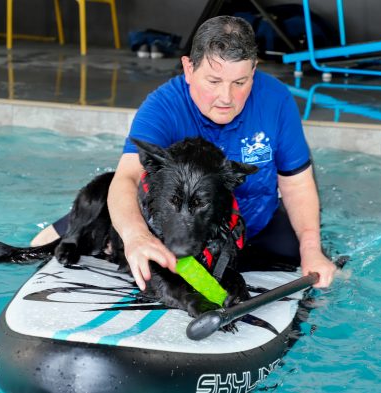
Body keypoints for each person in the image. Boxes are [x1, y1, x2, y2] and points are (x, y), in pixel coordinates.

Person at [32, 15, 337, 291]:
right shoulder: (163, 106)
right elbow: (126, 179)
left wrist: (311, 248)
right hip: (176, 223)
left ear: (254, 71)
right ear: (189, 68)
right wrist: (136, 236)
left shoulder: (276, 100)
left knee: (329, 273)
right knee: (40, 245)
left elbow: (296, 183)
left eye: (240, 82)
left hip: (254, 224)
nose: (226, 97)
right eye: (214, 81)